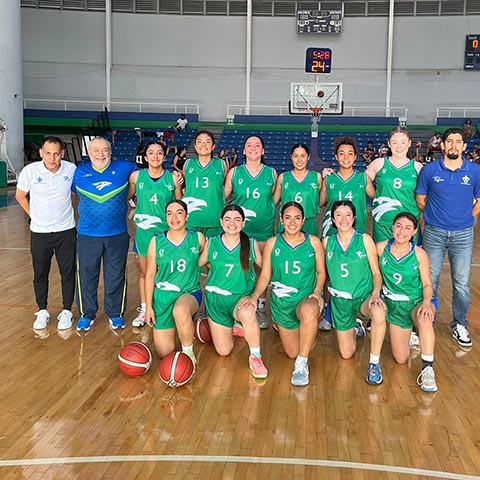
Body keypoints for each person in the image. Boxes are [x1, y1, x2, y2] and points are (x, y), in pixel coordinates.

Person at [240, 202, 326, 386]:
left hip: (305, 298)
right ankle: (302, 334)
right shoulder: (272, 243)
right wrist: (255, 296)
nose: (292, 222)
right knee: (292, 351)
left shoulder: (313, 242)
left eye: (297, 218)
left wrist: (318, 292)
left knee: (309, 312)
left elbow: (321, 272)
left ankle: (302, 364)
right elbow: (265, 275)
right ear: (281, 220)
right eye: (288, 217)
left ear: (303, 221)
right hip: (281, 305)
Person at [416, 127, 480, 348]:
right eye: (449, 141)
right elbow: (420, 199)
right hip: (434, 232)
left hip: (463, 234)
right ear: (442, 145)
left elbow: (479, 200)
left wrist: (467, 218)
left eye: (458, 142)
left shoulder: (474, 171)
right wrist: (435, 217)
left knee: (461, 282)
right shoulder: (430, 170)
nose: (453, 145)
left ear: (464, 146)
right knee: (429, 280)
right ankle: (425, 321)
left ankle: (459, 323)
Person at [72, 137, 137, 331]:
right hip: (87, 234)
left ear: (111, 152)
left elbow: (146, 178)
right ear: (89, 153)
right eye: (96, 151)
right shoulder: (79, 172)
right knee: (86, 275)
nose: (100, 154)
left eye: (105, 150)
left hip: (117, 234)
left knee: (116, 275)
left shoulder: (125, 167)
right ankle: (86, 313)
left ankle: (115, 313)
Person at [199, 205, 267, 379]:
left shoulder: (250, 244)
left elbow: (266, 271)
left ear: (243, 223)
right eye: (227, 219)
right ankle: (237, 328)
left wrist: (255, 296)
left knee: (248, 311)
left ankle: (255, 357)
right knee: (224, 351)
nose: (232, 223)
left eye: (237, 219)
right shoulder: (212, 242)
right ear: (221, 222)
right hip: (216, 302)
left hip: (240, 299)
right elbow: (197, 265)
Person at [16, 136, 77, 330]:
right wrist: (34, 216)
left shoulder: (71, 169)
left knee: (67, 272)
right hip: (40, 233)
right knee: (40, 273)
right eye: (48, 153)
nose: (52, 158)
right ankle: (42, 310)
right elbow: (20, 196)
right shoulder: (30, 171)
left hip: (66, 231)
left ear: (62, 154)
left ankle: (67, 310)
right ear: (41, 152)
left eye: (56, 154)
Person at [322, 200, 386, 385]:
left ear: (354, 218)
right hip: (341, 303)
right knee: (346, 354)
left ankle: (374, 363)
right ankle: (356, 327)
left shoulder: (364, 239)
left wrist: (375, 294)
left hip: (364, 298)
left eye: (348, 215)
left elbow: (376, 273)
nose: (344, 219)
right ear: (333, 219)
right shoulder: (326, 243)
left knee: (378, 311)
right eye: (339, 215)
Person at [377, 212, 438, 392]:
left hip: (416, 302)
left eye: (408, 228)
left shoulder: (419, 254)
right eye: (398, 226)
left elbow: (427, 284)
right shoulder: (380, 248)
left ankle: (428, 369)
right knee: (401, 358)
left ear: (414, 232)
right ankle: (411, 335)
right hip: (395, 306)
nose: (402, 231)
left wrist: (427, 302)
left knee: (425, 318)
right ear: (392, 228)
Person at [224, 135, 278, 329]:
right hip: (238, 232)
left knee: (260, 269)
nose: (253, 148)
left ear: (263, 151)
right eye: (249, 145)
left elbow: (274, 200)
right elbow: (223, 197)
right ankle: (235, 308)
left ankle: (260, 308)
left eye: (257, 145)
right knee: (239, 269)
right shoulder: (234, 173)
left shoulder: (272, 173)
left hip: (263, 230)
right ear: (244, 150)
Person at [144, 200, 205, 366]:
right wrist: (149, 307)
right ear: (165, 217)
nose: (174, 217)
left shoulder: (197, 238)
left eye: (179, 212)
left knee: (180, 310)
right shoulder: (156, 241)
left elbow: (209, 263)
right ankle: (184, 325)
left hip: (188, 292)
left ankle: (188, 352)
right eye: (169, 213)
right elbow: (149, 275)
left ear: (187, 216)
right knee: (165, 354)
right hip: (162, 298)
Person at [129, 141, 182, 327]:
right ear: (145, 156)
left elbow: (179, 204)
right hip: (144, 234)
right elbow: (127, 196)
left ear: (165, 156)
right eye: (151, 153)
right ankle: (145, 309)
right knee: (144, 273)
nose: (155, 156)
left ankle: (170, 308)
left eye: (159, 153)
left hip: (166, 236)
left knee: (167, 273)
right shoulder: (136, 177)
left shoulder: (173, 179)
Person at [366, 126, 422, 243]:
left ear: (409, 143)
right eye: (395, 142)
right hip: (383, 220)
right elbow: (362, 181)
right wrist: (376, 195)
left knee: (407, 258)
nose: (399, 146)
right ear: (389, 144)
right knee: (383, 257)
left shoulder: (417, 167)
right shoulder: (378, 163)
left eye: (403, 142)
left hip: (408, 222)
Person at [320, 136, 375, 238]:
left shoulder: (363, 178)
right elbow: (319, 203)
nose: (346, 158)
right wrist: (319, 178)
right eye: (341, 154)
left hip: (357, 232)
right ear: (336, 156)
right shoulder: (328, 179)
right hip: (332, 233)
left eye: (350, 154)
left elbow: (378, 197)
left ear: (355, 156)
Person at [183, 130, 227, 237]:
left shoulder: (221, 164)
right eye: (199, 141)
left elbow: (225, 188)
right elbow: (184, 188)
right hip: (192, 220)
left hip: (214, 220)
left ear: (213, 146)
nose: (203, 144)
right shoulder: (188, 164)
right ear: (195, 146)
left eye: (207, 141)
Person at [274, 144, 322, 236]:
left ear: (308, 157)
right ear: (291, 157)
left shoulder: (317, 177)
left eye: (303, 156)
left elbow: (320, 201)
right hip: (287, 224)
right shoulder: (283, 177)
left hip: (309, 223)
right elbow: (274, 202)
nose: (299, 160)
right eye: (295, 156)